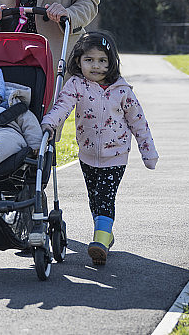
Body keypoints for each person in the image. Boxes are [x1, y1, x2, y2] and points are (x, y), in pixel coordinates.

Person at [40, 31, 159, 265]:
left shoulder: (122, 91)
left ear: (111, 62)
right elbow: (62, 106)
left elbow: (139, 123)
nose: (96, 66)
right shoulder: (76, 84)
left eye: (102, 60)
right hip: (86, 155)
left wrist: (148, 153)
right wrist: (49, 123)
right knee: (94, 199)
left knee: (105, 197)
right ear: (78, 61)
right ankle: (105, 234)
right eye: (89, 60)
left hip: (115, 156)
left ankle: (100, 241)